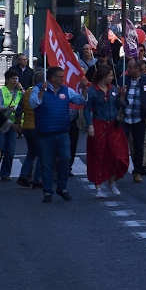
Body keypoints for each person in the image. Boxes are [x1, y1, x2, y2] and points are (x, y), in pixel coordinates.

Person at [30, 67, 88, 203]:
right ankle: (47, 191)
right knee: (47, 163)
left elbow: (80, 100)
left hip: (62, 132)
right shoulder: (38, 89)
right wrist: (41, 94)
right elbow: (33, 104)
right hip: (45, 134)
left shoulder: (66, 90)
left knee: (65, 159)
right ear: (52, 77)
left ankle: (62, 187)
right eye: (60, 77)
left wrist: (84, 90)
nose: (62, 79)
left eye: (63, 76)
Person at [84, 64, 129, 198]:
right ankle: (98, 185)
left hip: (114, 126)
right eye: (110, 75)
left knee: (118, 155)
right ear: (103, 76)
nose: (112, 78)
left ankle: (112, 180)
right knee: (99, 154)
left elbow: (122, 105)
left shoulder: (114, 89)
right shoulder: (92, 91)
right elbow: (87, 109)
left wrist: (122, 96)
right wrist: (90, 125)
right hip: (99, 125)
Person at [121, 58, 146, 183]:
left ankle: (137, 171)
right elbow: (118, 100)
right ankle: (119, 169)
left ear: (137, 69)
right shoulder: (123, 81)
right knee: (121, 145)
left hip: (139, 119)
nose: (128, 70)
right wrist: (121, 96)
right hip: (125, 119)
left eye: (130, 68)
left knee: (138, 146)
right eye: (128, 67)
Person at [0, 70, 23, 181]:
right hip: (3, 123)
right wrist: (8, 108)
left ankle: (5, 174)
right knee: (0, 149)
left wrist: (22, 89)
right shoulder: (1, 91)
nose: (15, 81)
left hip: (14, 124)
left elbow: (27, 101)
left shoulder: (19, 92)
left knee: (10, 151)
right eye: (13, 78)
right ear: (7, 80)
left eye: (17, 79)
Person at [16, 78, 42, 189]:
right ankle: (37, 179)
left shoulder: (27, 92)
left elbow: (19, 110)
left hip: (26, 126)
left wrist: (18, 125)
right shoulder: (42, 93)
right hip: (38, 127)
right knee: (42, 154)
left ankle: (24, 175)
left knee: (31, 153)